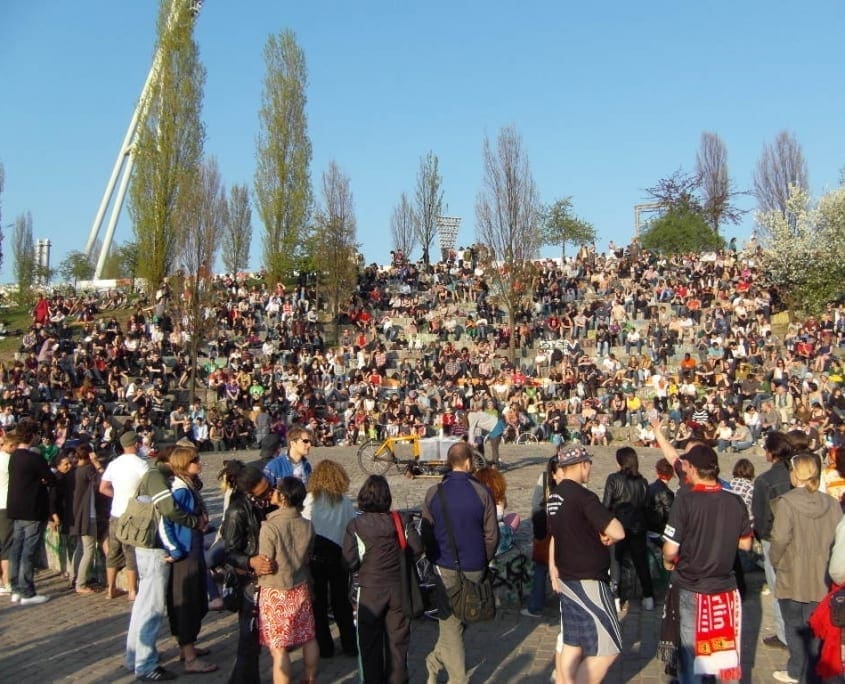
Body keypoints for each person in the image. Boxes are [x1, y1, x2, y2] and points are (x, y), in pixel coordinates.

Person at [661, 444, 752, 684]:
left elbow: (670, 549)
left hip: (692, 585)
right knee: (725, 653)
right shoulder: (735, 499)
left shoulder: (685, 499)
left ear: (692, 468)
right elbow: (746, 545)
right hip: (725, 588)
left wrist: (667, 561)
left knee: (691, 653)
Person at [124, 447, 207, 682]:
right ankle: (145, 663)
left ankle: (135, 656)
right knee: (152, 607)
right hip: (152, 547)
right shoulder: (157, 477)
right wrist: (193, 522)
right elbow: (167, 511)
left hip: (150, 545)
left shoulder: (158, 475)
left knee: (144, 605)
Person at [420, 441, 499, 684]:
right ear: (467, 462)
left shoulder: (434, 492)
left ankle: (435, 660)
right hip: (474, 565)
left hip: (444, 565)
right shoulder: (482, 493)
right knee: (455, 622)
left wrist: (434, 558)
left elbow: (426, 532)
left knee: (453, 621)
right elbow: (492, 535)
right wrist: (483, 559)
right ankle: (457, 679)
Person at [547, 445, 625, 684]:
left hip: (567, 576)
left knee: (573, 642)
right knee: (609, 647)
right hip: (588, 579)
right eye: (589, 463)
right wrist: (606, 533)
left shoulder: (554, 498)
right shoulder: (583, 496)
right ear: (582, 464)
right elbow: (618, 531)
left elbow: (566, 532)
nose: (590, 468)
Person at [769, 451, 842, 683]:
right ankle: (810, 672)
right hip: (822, 576)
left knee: (794, 627)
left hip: (792, 574)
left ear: (795, 474)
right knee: (816, 630)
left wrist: (775, 560)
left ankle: (797, 670)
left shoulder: (787, 502)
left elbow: (779, 539)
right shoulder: (832, 503)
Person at [344, 474, 422, 684]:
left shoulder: (356, 525)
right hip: (398, 588)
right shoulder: (401, 520)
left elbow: (350, 560)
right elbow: (417, 548)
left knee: (370, 645)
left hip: (369, 591)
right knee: (398, 644)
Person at [161, 445, 217, 674]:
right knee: (187, 602)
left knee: (195, 600)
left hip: (192, 545)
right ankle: (189, 656)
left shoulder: (187, 485)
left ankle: (188, 647)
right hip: (185, 551)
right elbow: (167, 520)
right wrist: (175, 550)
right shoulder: (180, 489)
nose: (199, 463)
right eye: (195, 460)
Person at [257, 476, 318, 684]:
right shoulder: (307, 525)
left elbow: (265, 562)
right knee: (308, 636)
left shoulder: (270, 526)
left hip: (276, 589)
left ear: (282, 496)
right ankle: (310, 678)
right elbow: (309, 555)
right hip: (300, 585)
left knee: (279, 648)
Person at [221, 464, 277, 684]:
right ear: (249, 493)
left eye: (269, 489)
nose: (269, 494)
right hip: (249, 580)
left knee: (257, 639)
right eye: (263, 493)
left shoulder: (268, 504)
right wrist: (250, 561)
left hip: (269, 577)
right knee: (248, 637)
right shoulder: (237, 511)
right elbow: (229, 552)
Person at [301, 459, 357, 658]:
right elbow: (352, 527)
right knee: (341, 600)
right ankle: (350, 643)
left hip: (315, 555)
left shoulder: (309, 499)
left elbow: (303, 526)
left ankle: (324, 646)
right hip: (338, 555)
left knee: (319, 603)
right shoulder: (343, 501)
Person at [751, 430, 794, 650]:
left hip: (773, 537)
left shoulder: (764, 480)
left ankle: (784, 633)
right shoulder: (796, 474)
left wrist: (762, 536)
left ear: (770, 453)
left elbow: (760, 517)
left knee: (777, 586)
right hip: (798, 536)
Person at [6, 417, 56, 605]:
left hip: (16, 507)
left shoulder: (14, 457)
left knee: (16, 548)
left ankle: (16, 588)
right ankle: (27, 591)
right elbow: (51, 479)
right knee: (28, 550)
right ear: (33, 436)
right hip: (32, 508)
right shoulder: (34, 458)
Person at [602, 446, 655, 611]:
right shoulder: (643, 482)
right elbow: (647, 507)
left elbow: (606, 505)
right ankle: (648, 596)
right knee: (641, 563)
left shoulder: (613, 479)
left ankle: (616, 598)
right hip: (638, 528)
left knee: (615, 562)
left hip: (619, 527)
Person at [99, 430, 148, 600]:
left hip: (116, 512)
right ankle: (132, 590)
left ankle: (110, 588)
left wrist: (118, 495)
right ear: (136, 444)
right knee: (130, 552)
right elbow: (148, 486)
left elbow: (103, 488)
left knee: (113, 551)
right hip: (132, 514)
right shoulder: (141, 464)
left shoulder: (114, 464)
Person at [70, 444, 105, 595]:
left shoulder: (75, 470)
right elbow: (102, 482)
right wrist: (97, 464)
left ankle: (74, 577)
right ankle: (81, 583)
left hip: (77, 515)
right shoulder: (88, 470)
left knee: (80, 547)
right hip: (87, 515)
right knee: (89, 550)